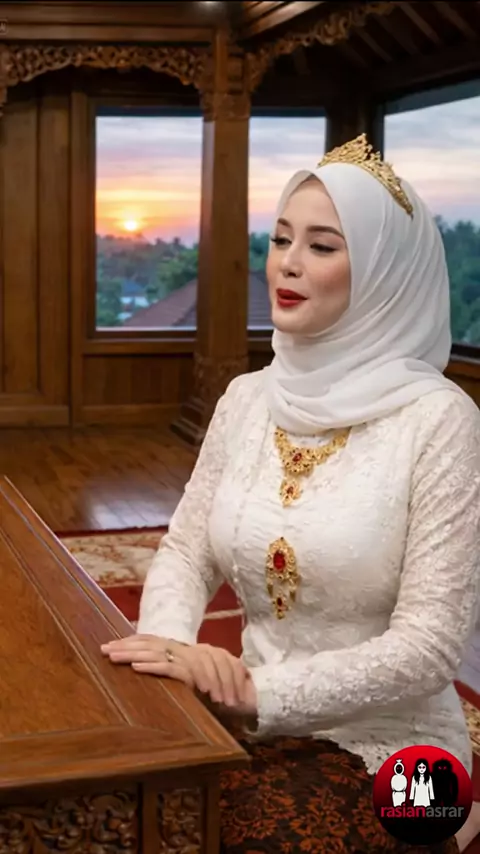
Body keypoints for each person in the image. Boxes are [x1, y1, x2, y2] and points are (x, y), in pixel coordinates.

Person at [101, 134, 480, 854]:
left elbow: (429, 649)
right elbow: (185, 550)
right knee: (125, 813)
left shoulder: (440, 420)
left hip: (399, 752)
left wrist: (257, 693)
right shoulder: (247, 398)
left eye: (323, 246)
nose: (288, 263)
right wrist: (172, 654)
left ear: (385, 274)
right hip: (248, 718)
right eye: (280, 239)